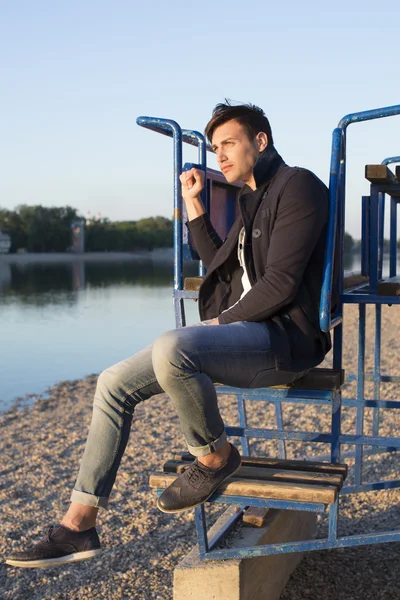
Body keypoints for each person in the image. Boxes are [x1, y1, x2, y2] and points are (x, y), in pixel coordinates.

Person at [5, 102, 334, 568]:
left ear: (260, 142)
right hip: (244, 333)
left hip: (283, 341)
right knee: (113, 382)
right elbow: (221, 263)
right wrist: (195, 204)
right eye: (215, 146)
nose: (219, 155)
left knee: (174, 346)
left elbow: (280, 283)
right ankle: (77, 527)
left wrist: (220, 323)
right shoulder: (250, 198)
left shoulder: (298, 186)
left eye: (229, 143)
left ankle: (216, 456)